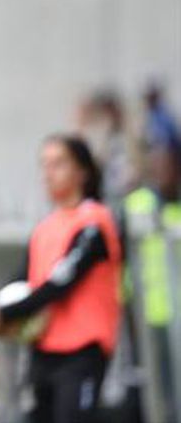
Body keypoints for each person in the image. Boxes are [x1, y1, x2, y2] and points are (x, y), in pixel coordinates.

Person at [0, 135, 122, 422]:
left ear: (82, 172)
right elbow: (24, 277)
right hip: (43, 349)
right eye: (44, 165)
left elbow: (61, 283)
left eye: (58, 164)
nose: (48, 173)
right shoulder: (45, 228)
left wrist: (4, 313)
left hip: (82, 352)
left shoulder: (94, 222)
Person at [121, 144, 181, 421]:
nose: (162, 171)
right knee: (157, 386)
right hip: (149, 312)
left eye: (168, 165)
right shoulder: (137, 203)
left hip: (175, 313)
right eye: (157, 164)